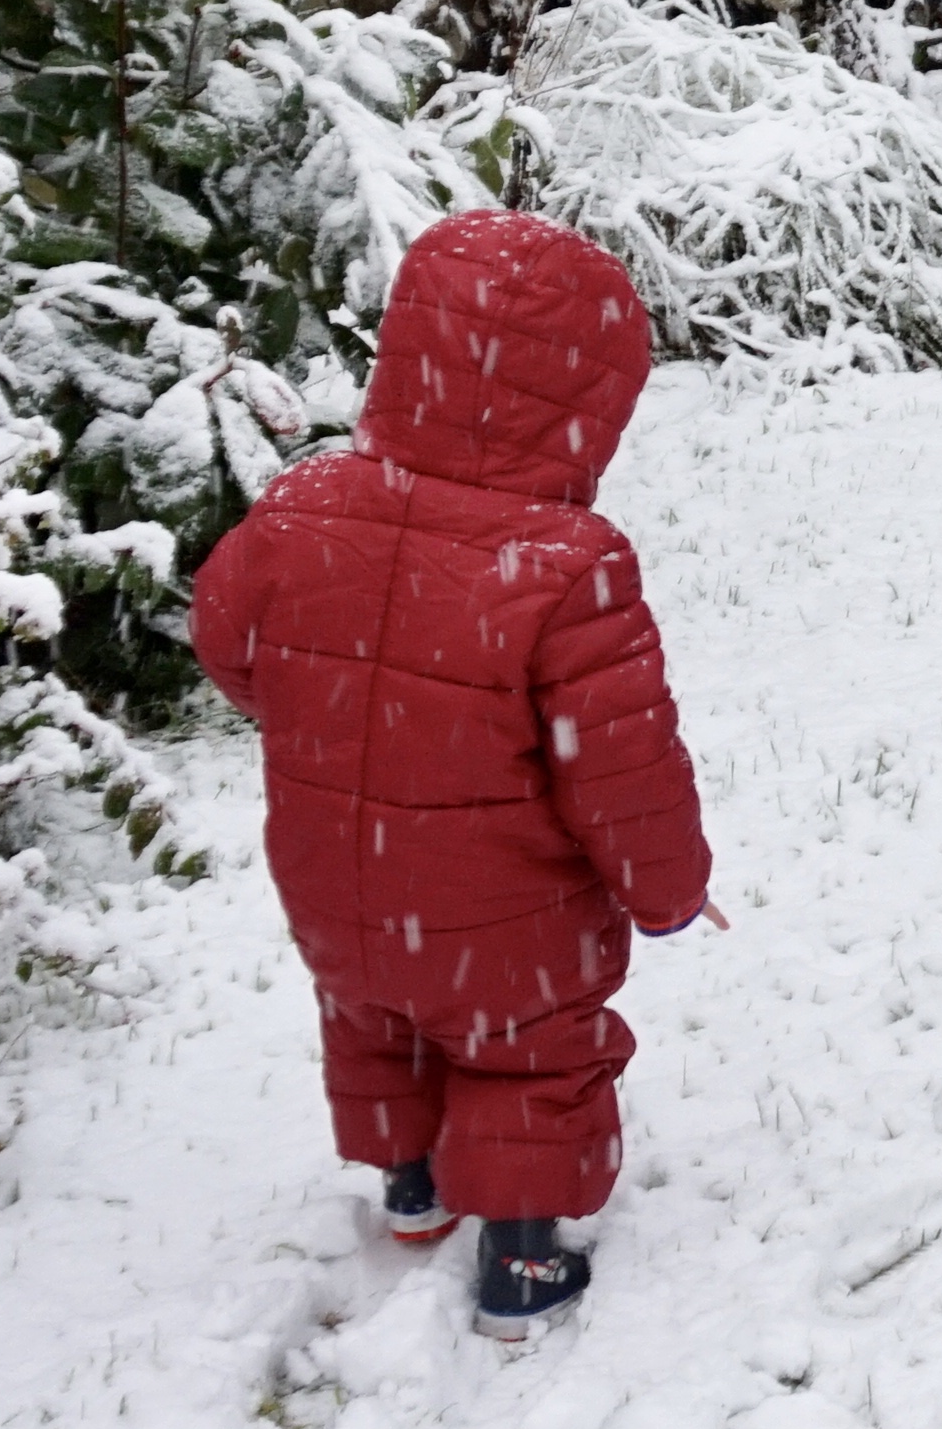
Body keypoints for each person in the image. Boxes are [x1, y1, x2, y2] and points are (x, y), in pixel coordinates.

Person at [192, 208, 717, 1336]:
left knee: (379, 1017)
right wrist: (668, 890)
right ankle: (520, 1261)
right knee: (528, 1051)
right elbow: (621, 765)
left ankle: (414, 1184)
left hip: (336, 876)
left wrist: (323, 721)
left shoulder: (300, 507)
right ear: (587, 403)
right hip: (504, 902)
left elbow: (228, 641)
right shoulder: (567, 565)